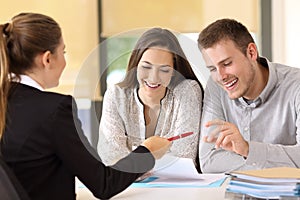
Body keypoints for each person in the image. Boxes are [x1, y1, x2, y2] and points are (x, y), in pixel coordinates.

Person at [0, 12, 171, 200]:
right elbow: (103, 184)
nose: (65, 60)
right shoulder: (53, 109)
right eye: (63, 52)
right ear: (47, 59)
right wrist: (147, 151)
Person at [197, 18, 300, 173]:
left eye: (226, 64)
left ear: (251, 52)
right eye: (212, 68)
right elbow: (209, 161)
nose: (221, 76)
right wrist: (275, 162)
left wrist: (247, 150)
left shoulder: (295, 85)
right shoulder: (216, 87)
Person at [97, 28, 203, 172]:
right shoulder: (116, 95)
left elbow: (184, 158)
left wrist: (134, 162)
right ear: (135, 66)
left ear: (174, 71)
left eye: (164, 70)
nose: (153, 78)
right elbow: (112, 157)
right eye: (146, 67)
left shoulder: (186, 91)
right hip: (128, 191)